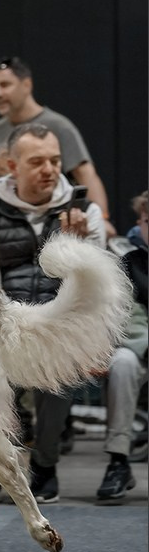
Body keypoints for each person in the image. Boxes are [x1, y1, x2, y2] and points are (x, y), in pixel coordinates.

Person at [0, 122, 106, 505]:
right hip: (5, 322)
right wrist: (20, 328)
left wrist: (80, 245)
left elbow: (96, 286)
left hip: (63, 325)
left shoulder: (86, 211)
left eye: (55, 160)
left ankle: (44, 465)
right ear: (10, 166)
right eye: (37, 161)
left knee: (61, 371)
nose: (50, 169)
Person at [0, 58, 116, 238]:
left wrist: (103, 217)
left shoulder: (58, 125)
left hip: (49, 219)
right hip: (2, 222)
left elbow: (85, 173)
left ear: (26, 85)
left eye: (4, 85)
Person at [96, 191, 148, 504]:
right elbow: (129, 320)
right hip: (140, 348)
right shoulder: (128, 263)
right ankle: (119, 462)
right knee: (123, 362)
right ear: (139, 223)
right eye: (147, 220)